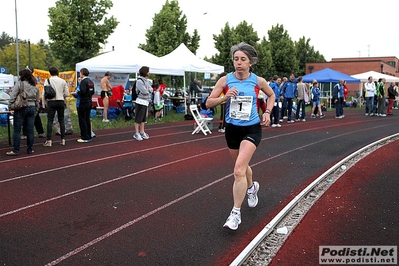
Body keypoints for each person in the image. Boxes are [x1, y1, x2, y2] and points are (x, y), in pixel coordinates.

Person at [205, 42, 275, 230]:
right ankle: (252, 188)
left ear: (250, 62)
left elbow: (271, 95)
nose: (238, 63)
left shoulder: (258, 81)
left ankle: (235, 214)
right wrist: (224, 98)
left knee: (238, 170)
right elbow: (208, 103)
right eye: (236, 59)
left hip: (252, 128)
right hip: (232, 129)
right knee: (242, 168)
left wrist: (267, 112)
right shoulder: (225, 80)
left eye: (243, 59)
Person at [6, 68, 40, 155]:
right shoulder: (35, 85)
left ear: (22, 76)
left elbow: (13, 95)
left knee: (17, 130)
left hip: (21, 107)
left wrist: (10, 106)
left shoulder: (20, 84)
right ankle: (30, 149)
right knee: (30, 130)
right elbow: (37, 100)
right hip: (32, 107)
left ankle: (16, 150)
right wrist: (36, 110)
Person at [42, 66, 69, 147]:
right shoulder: (63, 81)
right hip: (60, 101)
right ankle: (63, 139)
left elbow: (44, 93)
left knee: (50, 120)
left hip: (51, 102)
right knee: (61, 120)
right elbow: (67, 93)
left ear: (50, 73)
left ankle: (49, 140)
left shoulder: (47, 81)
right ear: (58, 72)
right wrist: (61, 95)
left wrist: (44, 104)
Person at [133, 66, 153, 141]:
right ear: (145, 72)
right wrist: (148, 90)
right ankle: (136, 133)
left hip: (145, 102)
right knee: (138, 118)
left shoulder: (146, 81)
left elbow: (150, 89)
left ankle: (142, 131)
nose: (149, 73)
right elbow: (145, 91)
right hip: (140, 101)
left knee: (143, 119)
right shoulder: (139, 81)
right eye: (148, 71)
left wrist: (148, 89)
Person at [77, 68, 95, 143]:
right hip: (89, 101)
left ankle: (84, 137)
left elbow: (83, 91)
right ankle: (89, 135)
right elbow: (92, 91)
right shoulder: (90, 81)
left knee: (82, 119)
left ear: (82, 73)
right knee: (87, 119)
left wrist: (78, 93)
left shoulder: (83, 81)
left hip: (83, 102)